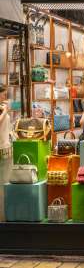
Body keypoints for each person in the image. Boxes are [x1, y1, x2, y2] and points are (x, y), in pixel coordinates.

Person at [0, 85, 11, 221]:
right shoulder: (2, 109)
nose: (5, 97)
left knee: (5, 182)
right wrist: (5, 111)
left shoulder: (2, 107)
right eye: (3, 94)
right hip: (1, 148)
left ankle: (4, 214)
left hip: (5, 146)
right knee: (2, 183)